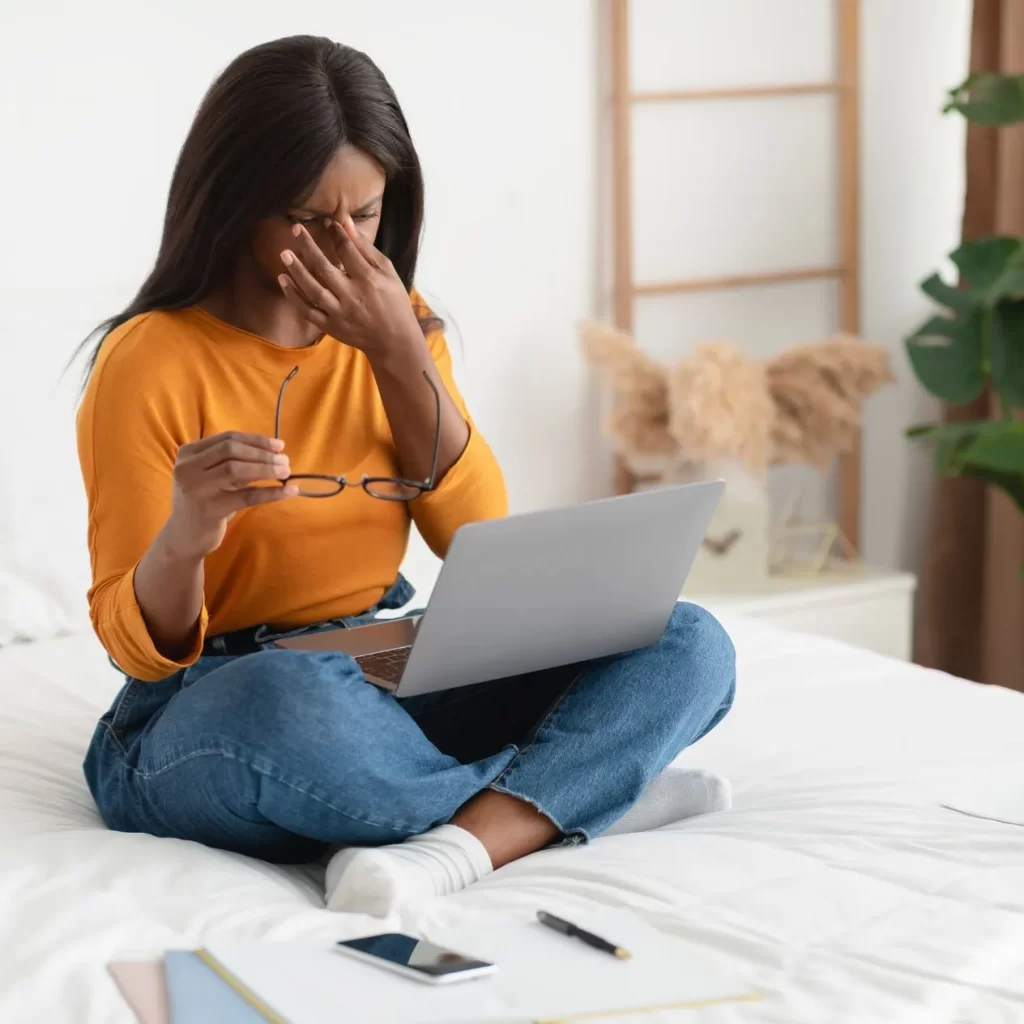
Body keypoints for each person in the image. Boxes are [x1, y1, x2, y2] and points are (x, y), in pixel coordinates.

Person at [76, 35, 736, 917]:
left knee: (685, 642)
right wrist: (186, 535)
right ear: (235, 205)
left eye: (368, 215)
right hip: (211, 705)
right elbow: (129, 643)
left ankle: (469, 837)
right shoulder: (149, 360)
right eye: (310, 222)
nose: (346, 247)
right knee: (290, 702)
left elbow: (475, 538)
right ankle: (568, 797)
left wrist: (396, 353)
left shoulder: (402, 326)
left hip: (389, 666)